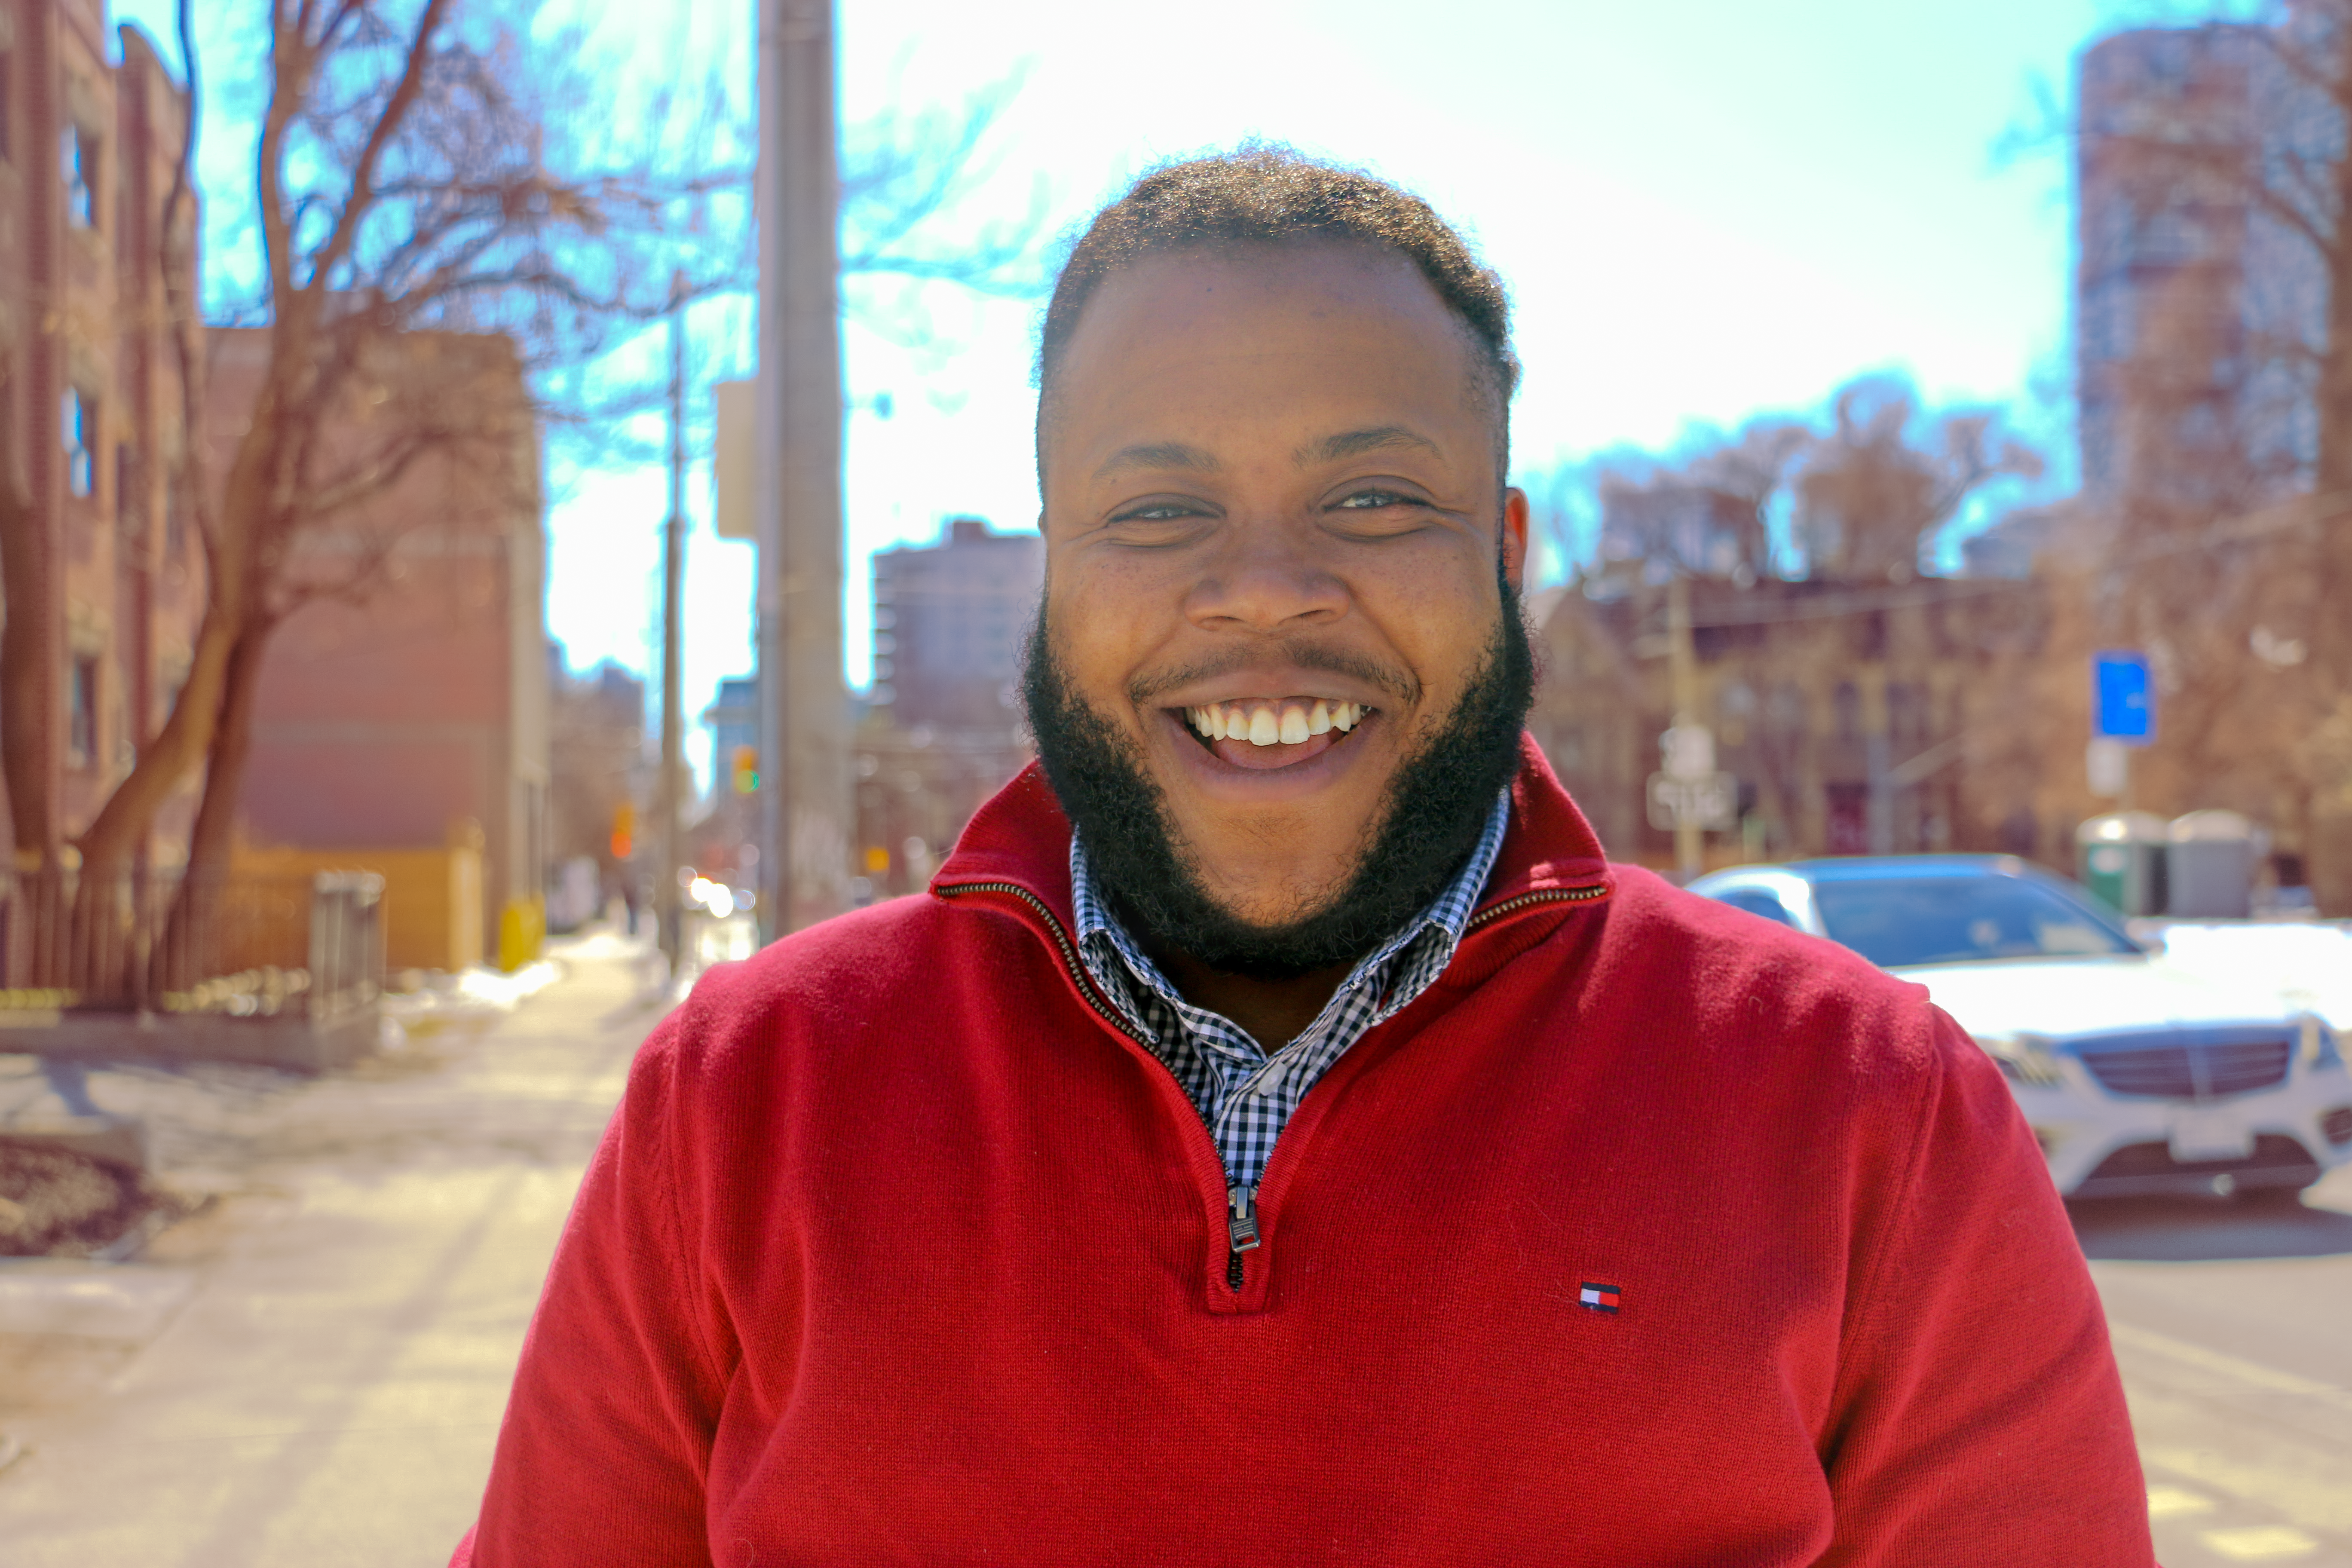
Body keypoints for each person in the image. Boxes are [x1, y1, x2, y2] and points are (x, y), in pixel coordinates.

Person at [455, 148, 2153, 1565]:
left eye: (1369, 502)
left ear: (1504, 552)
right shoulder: (742, 1105)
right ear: (1054, 568)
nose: (1263, 587)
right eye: (1158, 509)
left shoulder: (1875, 1117)